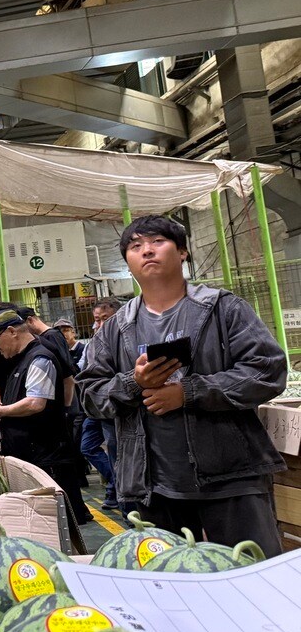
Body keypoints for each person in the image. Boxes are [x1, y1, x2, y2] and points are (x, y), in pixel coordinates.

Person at [79, 216, 286, 554]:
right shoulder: (115, 329)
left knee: (251, 577)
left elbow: (267, 370)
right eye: (135, 246)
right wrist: (134, 382)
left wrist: (188, 392)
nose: (146, 250)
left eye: (157, 241)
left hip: (230, 479)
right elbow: (89, 395)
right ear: (128, 261)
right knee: (171, 589)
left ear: (183, 252)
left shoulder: (223, 308)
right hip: (152, 488)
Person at [0, 309, 93, 525]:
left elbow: (35, 403)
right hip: (31, 452)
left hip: (46, 455)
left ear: (12, 332)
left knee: (58, 524)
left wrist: (0, 411)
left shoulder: (40, 358)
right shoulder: (20, 360)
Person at [81, 298, 122, 508]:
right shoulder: (94, 344)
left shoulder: (124, 343)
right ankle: (115, 486)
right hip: (95, 410)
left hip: (115, 410)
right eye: (97, 319)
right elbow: (84, 373)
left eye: (105, 318)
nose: (99, 324)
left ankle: (119, 497)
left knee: (118, 453)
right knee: (88, 448)